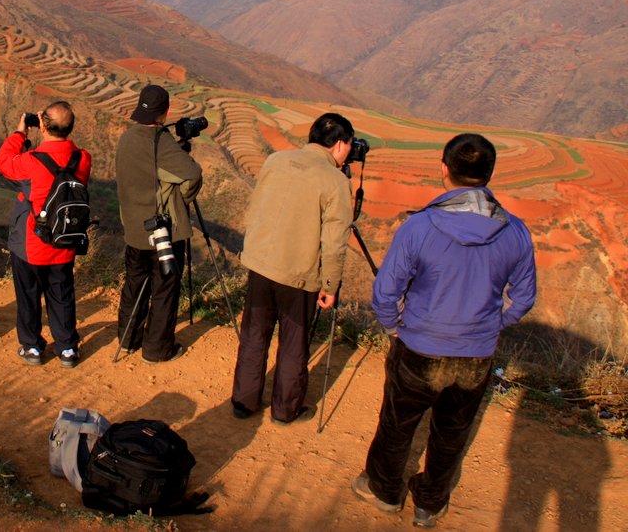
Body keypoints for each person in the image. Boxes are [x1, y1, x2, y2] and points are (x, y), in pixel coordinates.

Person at [352, 133, 536, 528]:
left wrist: (394, 329)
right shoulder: (516, 232)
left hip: (418, 346)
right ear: (489, 173)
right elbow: (522, 299)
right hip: (476, 354)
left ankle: (384, 491)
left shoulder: (420, 227)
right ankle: (429, 504)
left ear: (444, 169)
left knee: (397, 423)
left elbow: (385, 292)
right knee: (452, 432)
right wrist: (491, 326)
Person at [230, 113, 354, 424]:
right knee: (293, 344)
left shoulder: (276, 161)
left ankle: (244, 403)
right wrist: (330, 285)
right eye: (349, 146)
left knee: (254, 335)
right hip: (299, 275)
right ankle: (285, 410)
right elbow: (335, 241)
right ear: (340, 145)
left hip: (260, 264)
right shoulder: (336, 182)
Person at [0, 101, 91, 367]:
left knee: (28, 295)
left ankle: (33, 347)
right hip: (65, 240)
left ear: (44, 125)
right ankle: (67, 348)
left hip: (31, 242)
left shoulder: (31, 160)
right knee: (61, 294)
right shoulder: (83, 158)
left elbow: (3, 163)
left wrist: (20, 133)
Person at [115, 84, 202, 363]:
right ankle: (156, 349)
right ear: (165, 112)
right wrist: (181, 198)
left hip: (134, 227)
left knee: (134, 284)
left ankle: (128, 340)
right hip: (163, 232)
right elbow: (192, 175)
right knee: (164, 289)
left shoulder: (127, 138)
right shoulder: (160, 140)